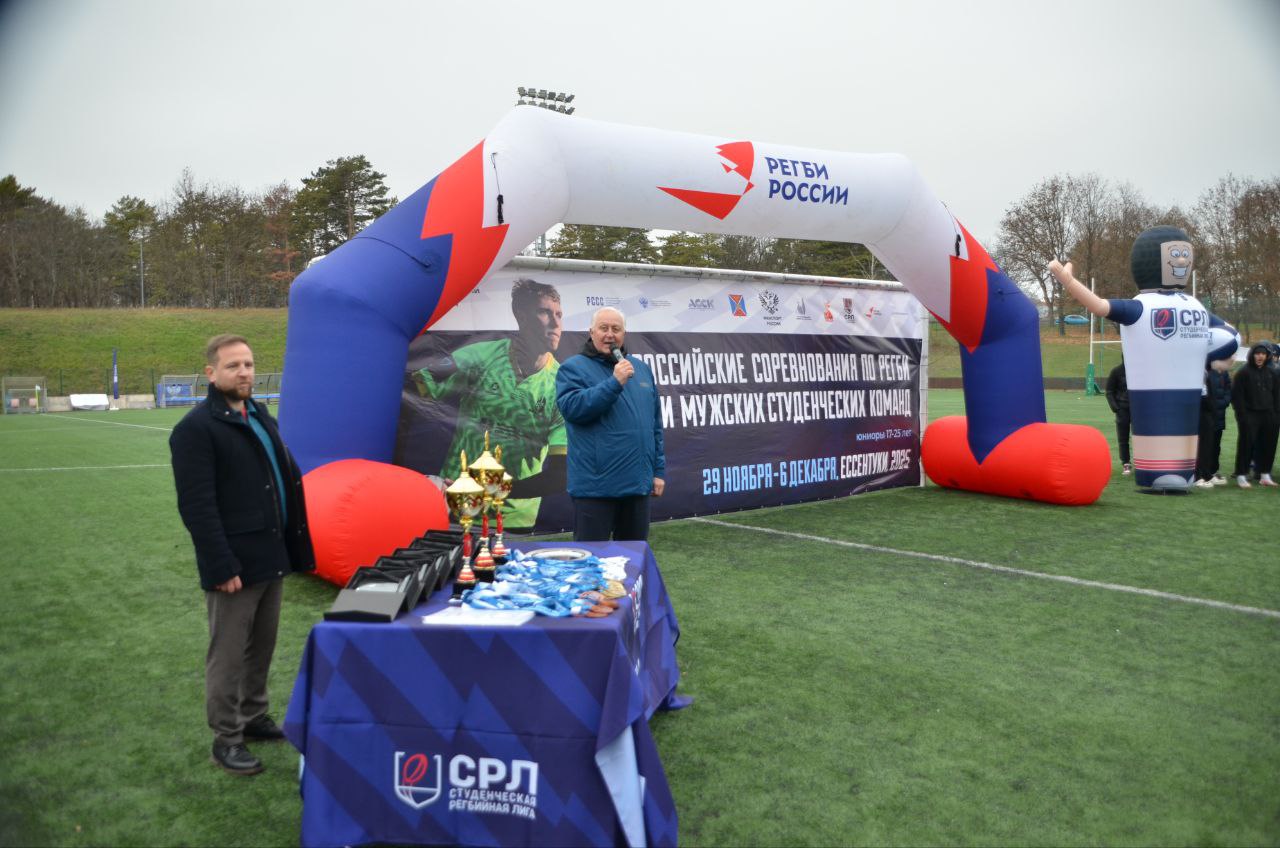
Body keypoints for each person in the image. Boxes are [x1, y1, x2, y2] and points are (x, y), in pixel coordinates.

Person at [170, 335, 315, 776]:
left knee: (262, 647)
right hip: (234, 564)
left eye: (249, 364)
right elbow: (197, 507)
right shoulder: (196, 429)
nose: (244, 372)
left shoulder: (260, 416)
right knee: (229, 654)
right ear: (211, 373)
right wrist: (221, 565)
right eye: (233, 365)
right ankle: (226, 738)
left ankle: (253, 716)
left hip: (271, 554)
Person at [1050, 225, 1237, 492]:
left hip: (1186, 389)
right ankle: (1156, 473)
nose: (1181, 261)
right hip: (1151, 390)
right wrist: (1069, 282)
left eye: (1185, 254)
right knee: (1157, 428)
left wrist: (1216, 352)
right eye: (1175, 254)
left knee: (1184, 428)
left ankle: (1183, 473)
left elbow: (1230, 335)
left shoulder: (1193, 306)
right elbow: (1099, 305)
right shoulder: (1142, 306)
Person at [410, 278, 567, 529]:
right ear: (521, 315)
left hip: (514, 518)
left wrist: (494, 489)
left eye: (559, 314)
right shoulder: (480, 356)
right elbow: (411, 392)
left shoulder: (563, 385)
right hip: (458, 504)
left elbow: (560, 475)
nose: (556, 323)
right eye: (545, 312)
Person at [555, 307, 665, 541]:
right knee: (592, 558)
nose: (610, 334)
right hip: (595, 490)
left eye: (616, 329)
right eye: (603, 328)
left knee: (633, 558)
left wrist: (658, 472)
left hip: (637, 486)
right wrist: (614, 382)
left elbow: (654, 426)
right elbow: (573, 409)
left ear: (624, 334)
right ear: (591, 332)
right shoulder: (572, 368)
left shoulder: (641, 369)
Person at [1231, 342, 1280, 488]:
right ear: (1252, 355)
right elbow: (1237, 397)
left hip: (1269, 415)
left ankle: (1265, 474)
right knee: (1246, 445)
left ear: (1267, 356)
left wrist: (1276, 414)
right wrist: (1243, 416)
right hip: (1250, 415)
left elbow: (1276, 394)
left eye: (1263, 354)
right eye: (1257, 354)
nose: (1260, 357)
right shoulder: (1243, 373)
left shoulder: (1272, 372)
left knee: (1269, 445)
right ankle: (1241, 474)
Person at [1195, 358, 1232, 487]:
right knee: (1201, 445)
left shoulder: (1210, 372)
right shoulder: (1200, 371)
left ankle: (1206, 474)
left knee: (1209, 445)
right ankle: (1197, 476)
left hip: (1209, 412)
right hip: (1201, 411)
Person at [1105, 360, 1131, 475]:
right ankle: (1126, 463)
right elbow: (1109, 391)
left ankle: (1142, 463)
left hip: (1139, 410)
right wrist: (1116, 408)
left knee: (1141, 439)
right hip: (1122, 409)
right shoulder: (1116, 371)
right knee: (1123, 438)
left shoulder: (1140, 370)